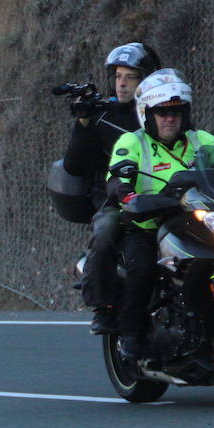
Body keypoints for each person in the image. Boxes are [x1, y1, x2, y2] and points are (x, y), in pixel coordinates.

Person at [107, 69, 214, 357]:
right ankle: (131, 336)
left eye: (177, 112)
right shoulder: (133, 142)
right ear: (147, 114)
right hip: (147, 226)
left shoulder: (201, 139)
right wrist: (126, 193)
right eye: (162, 113)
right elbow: (116, 178)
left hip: (198, 223)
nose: (171, 118)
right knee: (142, 269)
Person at [64, 42, 161, 334]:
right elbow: (75, 166)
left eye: (130, 77)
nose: (121, 83)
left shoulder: (165, 111)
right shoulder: (101, 115)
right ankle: (103, 307)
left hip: (165, 195)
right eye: (118, 76)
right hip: (115, 199)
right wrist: (82, 122)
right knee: (105, 231)